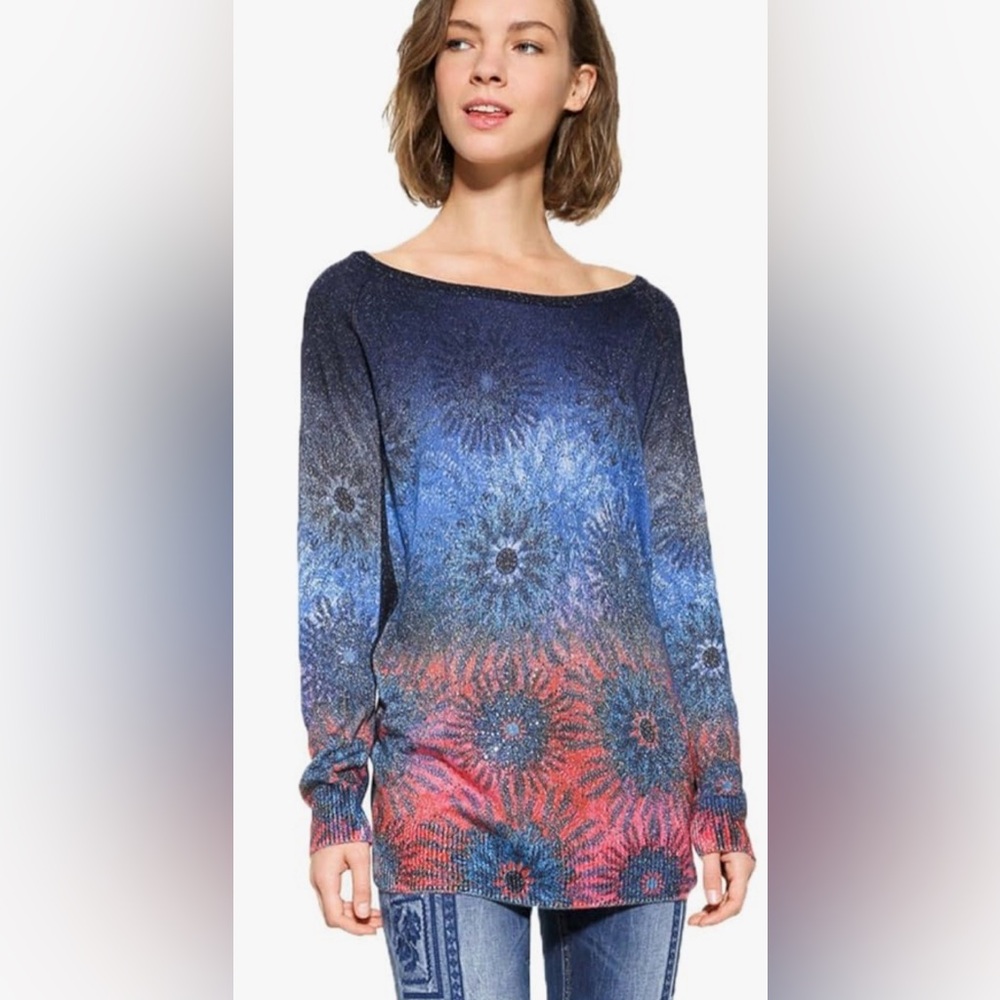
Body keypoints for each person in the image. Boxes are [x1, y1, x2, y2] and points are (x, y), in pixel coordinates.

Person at [297, 0, 756, 996]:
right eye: (461, 40)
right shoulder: (358, 303)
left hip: (631, 786)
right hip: (443, 792)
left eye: (527, 43)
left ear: (578, 84)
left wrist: (719, 787)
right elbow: (336, 569)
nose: (487, 67)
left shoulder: (639, 320)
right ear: (431, 69)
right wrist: (336, 799)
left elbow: (681, 569)